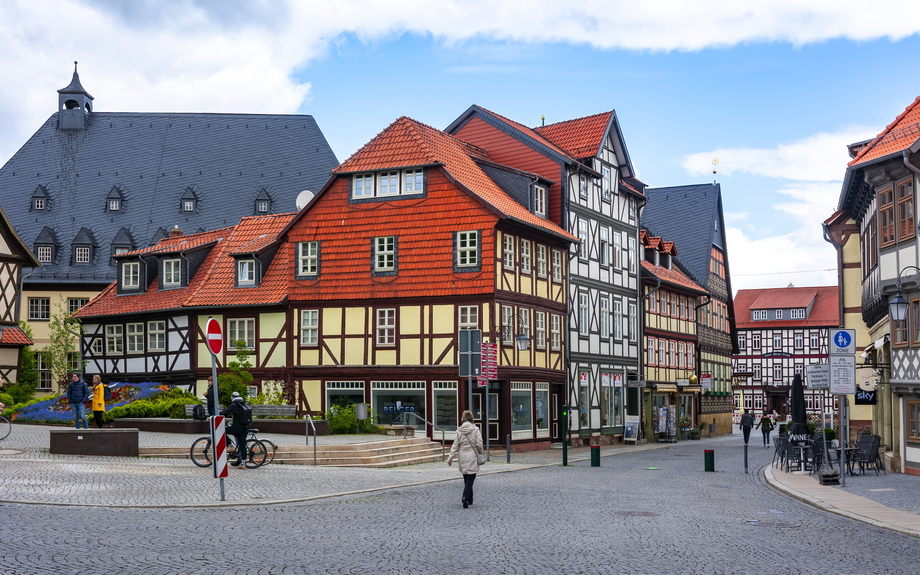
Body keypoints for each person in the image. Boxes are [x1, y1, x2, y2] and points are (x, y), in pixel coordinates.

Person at [446, 410, 483, 508]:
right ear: (471, 418)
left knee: (466, 477)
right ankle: (465, 497)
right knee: (471, 477)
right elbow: (479, 443)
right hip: (472, 454)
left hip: (462, 455)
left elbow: (455, 446)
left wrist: (450, 458)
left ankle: (470, 499)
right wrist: (480, 453)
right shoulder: (475, 429)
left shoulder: (459, 430)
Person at [220, 391, 250, 469]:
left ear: (233, 397)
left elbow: (224, 412)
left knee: (221, 430)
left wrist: (214, 416)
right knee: (242, 446)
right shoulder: (244, 404)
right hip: (244, 428)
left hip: (236, 428)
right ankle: (243, 464)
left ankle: (230, 445)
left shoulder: (234, 405)